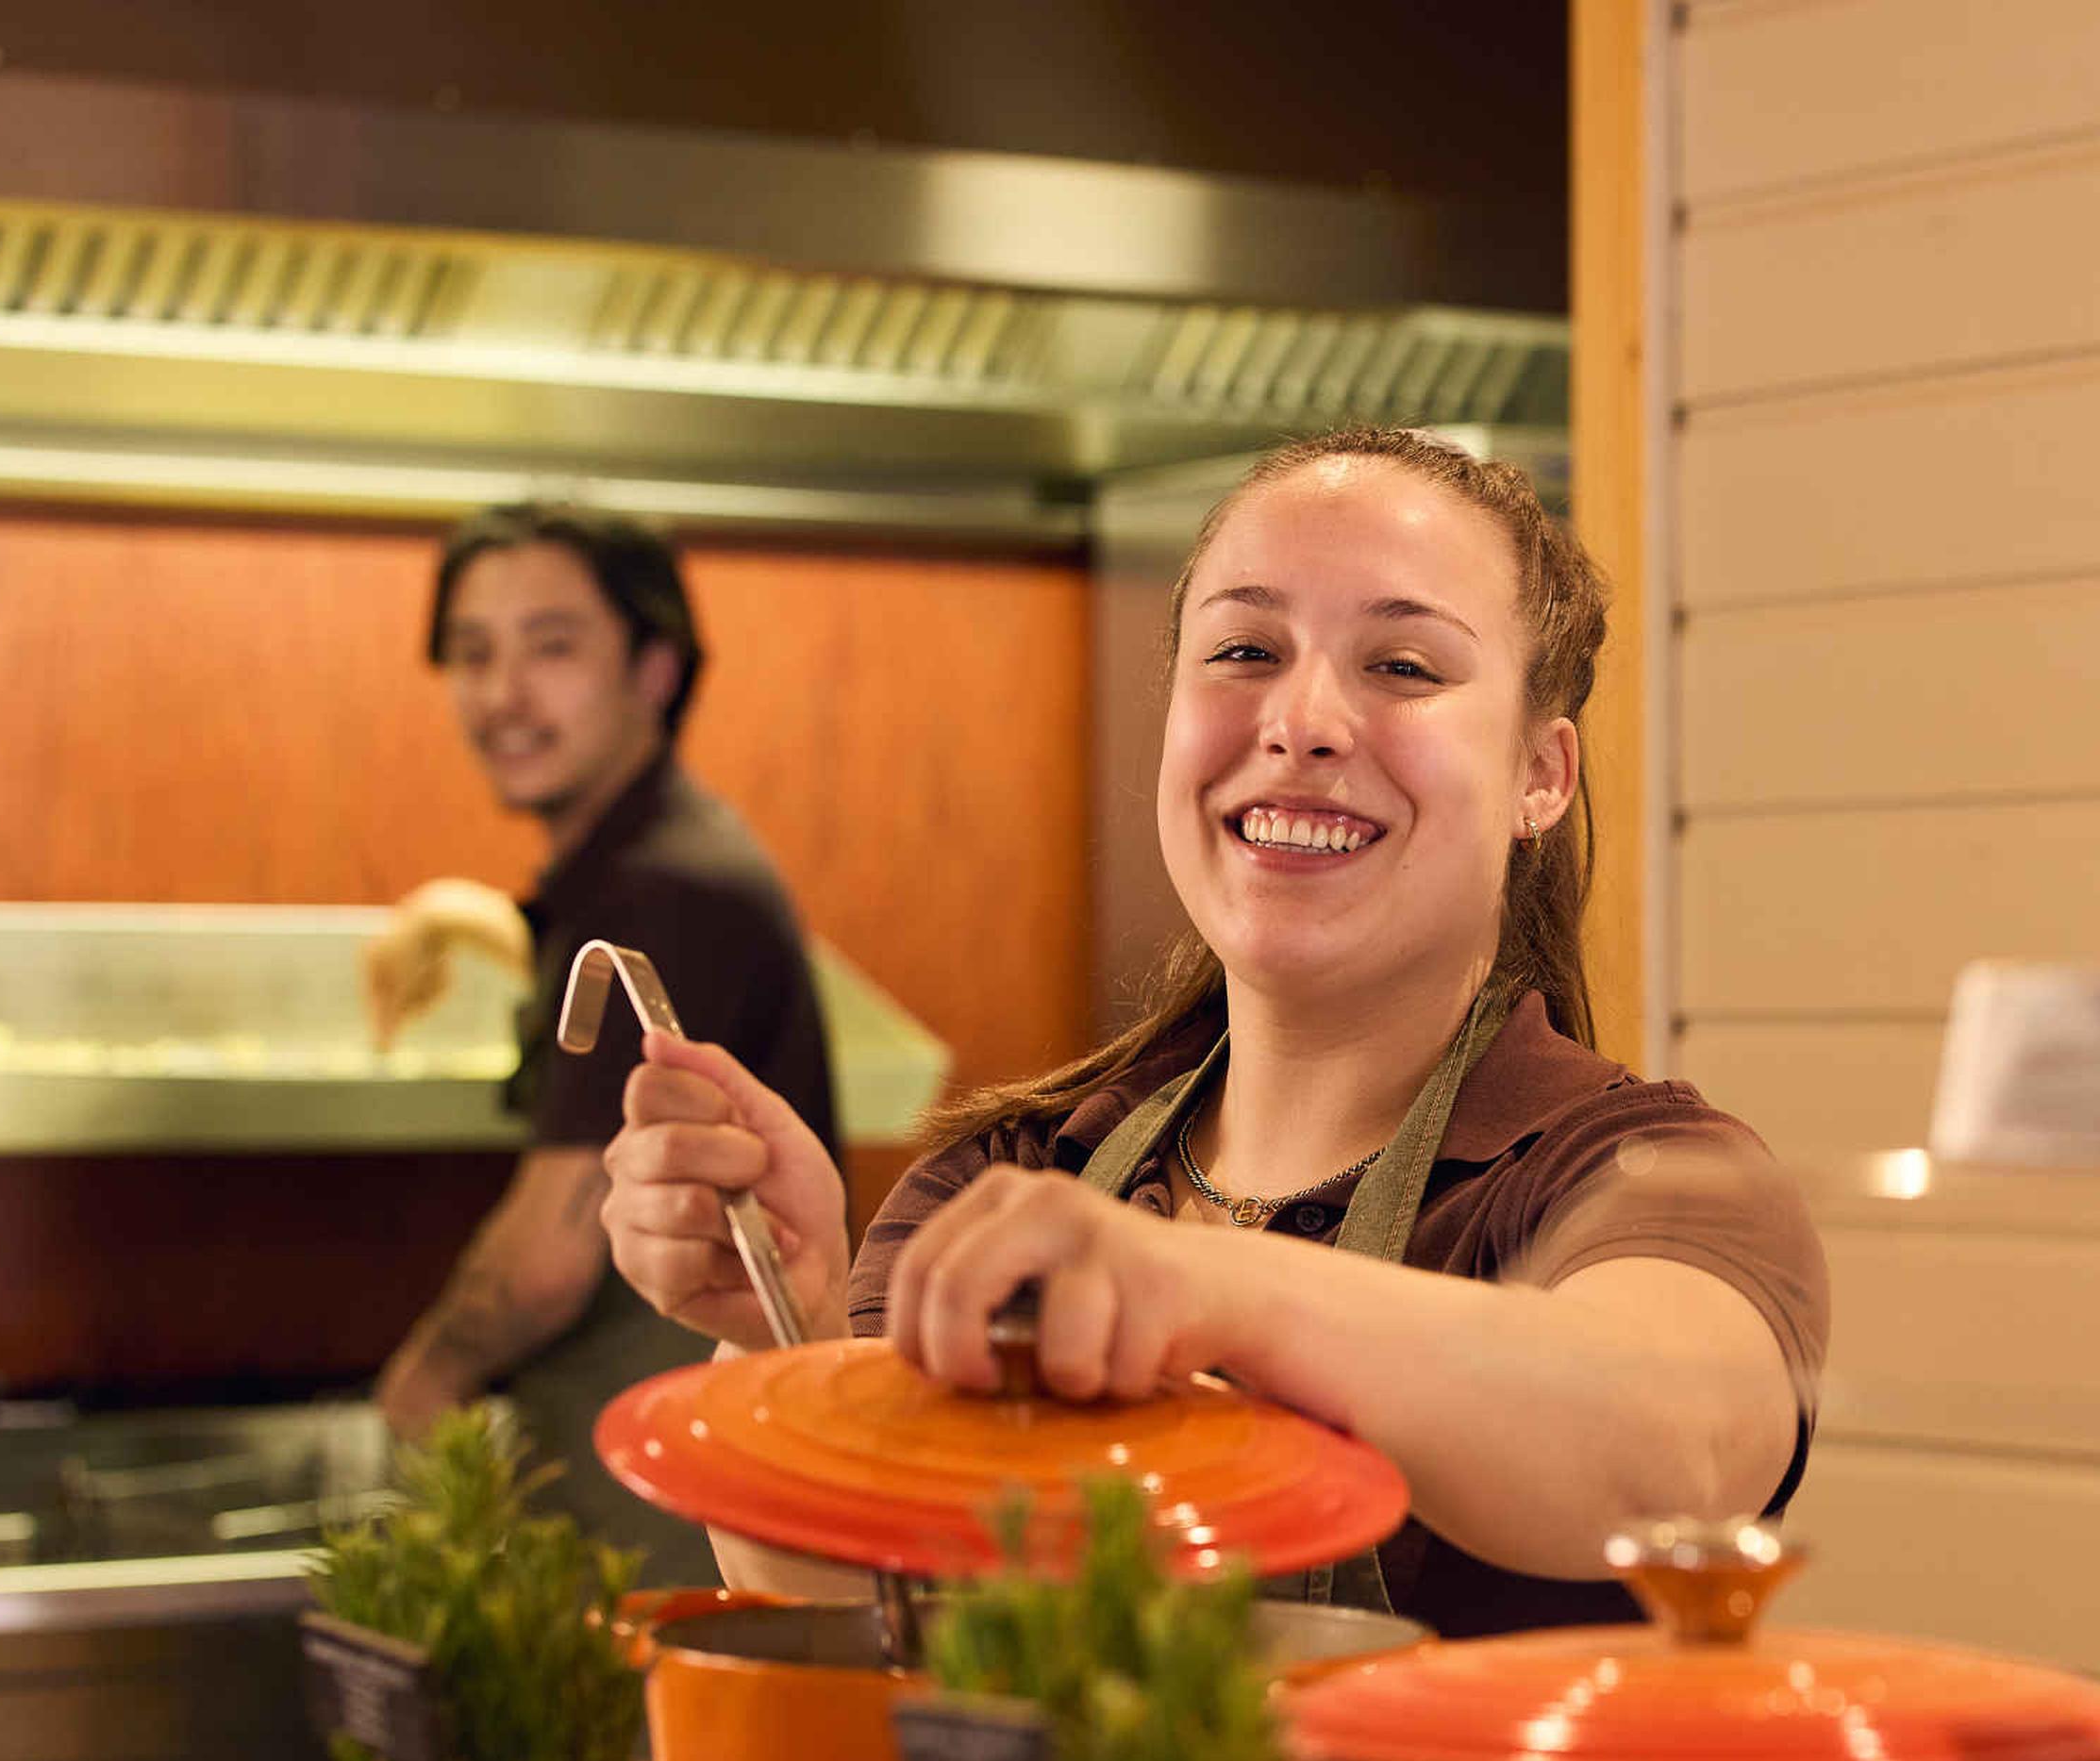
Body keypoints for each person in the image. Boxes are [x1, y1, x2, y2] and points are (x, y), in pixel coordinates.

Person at [599, 430, 1823, 1635]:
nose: (1302, 722)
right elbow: (871, 1624)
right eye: (1244, 650)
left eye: (1402, 666)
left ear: (1539, 778)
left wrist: (1204, 1284)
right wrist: (785, 1330)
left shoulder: (1649, 1180)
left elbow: (1667, 1459)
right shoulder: (1013, 1181)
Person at [366, 502, 839, 1582]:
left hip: (663, 1500)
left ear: (656, 668)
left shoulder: (661, 888)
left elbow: (548, 1256)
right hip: (646, 1474)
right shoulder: (647, 866)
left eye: (553, 647)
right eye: (473, 653)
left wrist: (417, 1386)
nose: (502, 694)